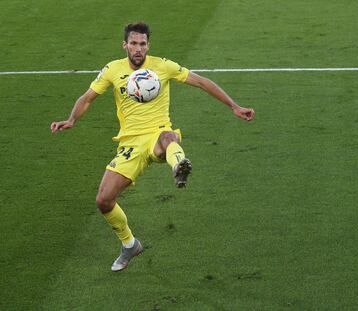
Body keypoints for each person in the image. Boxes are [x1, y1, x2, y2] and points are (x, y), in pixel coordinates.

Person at [50, 22, 255, 272]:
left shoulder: (162, 66)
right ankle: (129, 245)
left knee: (169, 138)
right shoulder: (113, 70)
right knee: (104, 200)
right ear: (125, 45)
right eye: (134, 44)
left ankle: (179, 165)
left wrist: (233, 105)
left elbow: (200, 81)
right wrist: (71, 119)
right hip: (130, 143)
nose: (138, 49)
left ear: (149, 45)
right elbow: (88, 97)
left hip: (158, 134)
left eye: (143, 44)